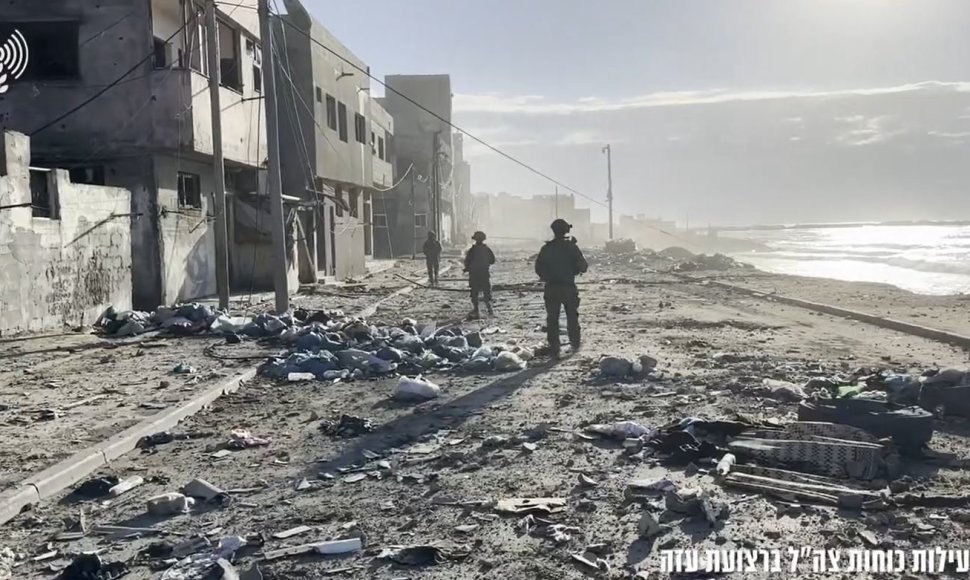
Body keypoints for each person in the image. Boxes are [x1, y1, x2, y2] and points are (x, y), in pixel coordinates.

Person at [535, 219, 588, 356]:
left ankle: (555, 347)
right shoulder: (571, 247)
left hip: (551, 287)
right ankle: (574, 343)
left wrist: (548, 276)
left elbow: (538, 268)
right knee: (572, 316)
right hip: (568, 287)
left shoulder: (547, 248)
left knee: (552, 318)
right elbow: (583, 266)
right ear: (566, 230)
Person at [463, 231, 495, 318]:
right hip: (484, 273)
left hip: (474, 274)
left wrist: (467, 268)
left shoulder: (472, 250)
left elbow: (467, 261)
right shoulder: (486, 250)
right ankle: (489, 309)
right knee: (486, 291)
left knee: (474, 292)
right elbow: (492, 260)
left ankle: (476, 309)